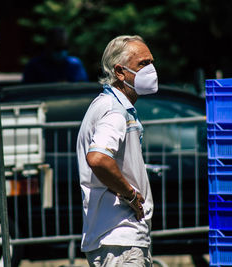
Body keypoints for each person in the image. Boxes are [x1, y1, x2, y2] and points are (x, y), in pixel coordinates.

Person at [76, 35, 158, 266]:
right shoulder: (114, 111)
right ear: (120, 72)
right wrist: (130, 194)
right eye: (143, 64)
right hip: (120, 235)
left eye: (152, 62)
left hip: (115, 237)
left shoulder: (110, 105)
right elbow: (98, 158)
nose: (151, 70)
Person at [22, 27, 88, 83]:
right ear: (48, 46)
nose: (61, 51)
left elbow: (83, 86)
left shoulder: (75, 65)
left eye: (64, 47)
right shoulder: (34, 66)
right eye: (57, 48)